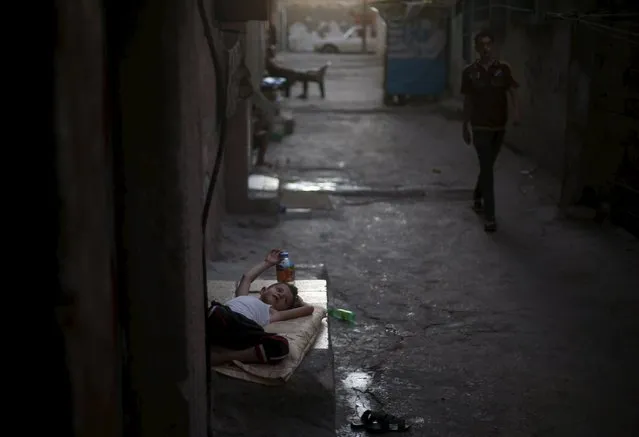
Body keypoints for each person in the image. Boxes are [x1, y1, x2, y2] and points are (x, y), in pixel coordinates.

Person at [207, 249, 314, 366]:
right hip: (226, 319)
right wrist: (268, 263)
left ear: (282, 309)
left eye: (285, 300)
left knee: (280, 346)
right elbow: (247, 277)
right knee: (217, 311)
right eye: (279, 290)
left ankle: (226, 355)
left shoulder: (273, 313)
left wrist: (298, 301)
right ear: (263, 291)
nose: (280, 295)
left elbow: (309, 309)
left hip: (243, 332)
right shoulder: (242, 296)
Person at [461, 29, 520, 232]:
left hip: (498, 126)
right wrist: (464, 126)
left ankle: (477, 195)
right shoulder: (469, 72)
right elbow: (468, 100)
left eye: (489, 44)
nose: (486, 49)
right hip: (479, 127)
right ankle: (490, 216)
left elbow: (512, 91)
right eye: (482, 45)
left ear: (493, 46)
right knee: (487, 168)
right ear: (476, 48)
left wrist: (517, 114)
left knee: (488, 166)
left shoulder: (504, 69)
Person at [265, 46, 329, 99]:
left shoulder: (269, 60)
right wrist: (289, 71)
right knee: (300, 75)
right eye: (273, 52)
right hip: (282, 76)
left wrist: (288, 71)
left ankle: (305, 92)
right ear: (269, 53)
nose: (274, 53)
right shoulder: (269, 61)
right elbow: (278, 71)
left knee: (301, 75)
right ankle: (315, 77)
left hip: (284, 75)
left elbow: (278, 69)